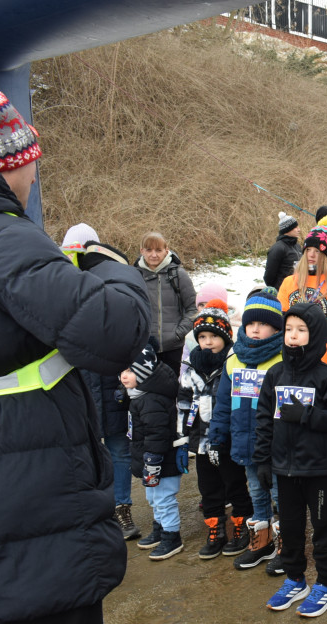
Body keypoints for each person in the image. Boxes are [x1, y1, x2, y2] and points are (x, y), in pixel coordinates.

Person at [0, 70, 150, 624]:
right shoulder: (3, 240)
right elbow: (115, 329)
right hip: (37, 516)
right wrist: (109, 270)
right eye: (31, 161)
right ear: (7, 164)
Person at [259, 303, 327, 616]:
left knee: (323, 526)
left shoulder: (326, 377)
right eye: (289, 329)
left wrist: (307, 415)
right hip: (284, 469)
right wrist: (262, 460)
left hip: (317, 468)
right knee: (290, 526)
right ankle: (295, 578)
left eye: (301, 330)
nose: (293, 336)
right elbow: (262, 419)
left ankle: (326, 584)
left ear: (313, 336)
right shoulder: (275, 374)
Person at [65, 223, 143, 542]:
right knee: (85, 456)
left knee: (118, 450)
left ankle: (121, 508)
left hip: (111, 387)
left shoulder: (110, 283)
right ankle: (92, 513)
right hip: (81, 389)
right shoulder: (63, 288)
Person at [208, 289, 287, 572]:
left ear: (277, 328)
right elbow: (223, 404)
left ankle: (285, 546)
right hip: (245, 443)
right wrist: (216, 438)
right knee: (256, 491)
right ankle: (261, 541)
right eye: (251, 322)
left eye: (263, 324)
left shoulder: (281, 361)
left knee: (279, 494)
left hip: (275, 445)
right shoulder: (233, 360)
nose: (255, 329)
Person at [180, 300, 255, 560]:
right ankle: (215, 530)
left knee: (234, 483)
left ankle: (242, 525)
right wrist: (182, 436)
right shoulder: (192, 367)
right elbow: (183, 402)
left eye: (214, 336)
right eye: (203, 337)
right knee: (208, 487)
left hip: (227, 440)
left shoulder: (233, 364)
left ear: (226, 337)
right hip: (202, 443)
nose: (208, 341)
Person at [122, 342, 185, 560]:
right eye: (122, 370)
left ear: (143, 372)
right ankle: (159, 529)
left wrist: (152, 460)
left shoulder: (151, 399)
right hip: (151, 460)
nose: (123, 375)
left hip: (160, 461)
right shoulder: (139, 396)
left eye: (130, 370)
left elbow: (157, 433)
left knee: (163, 499)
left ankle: (172, 535)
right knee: (153, 498)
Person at [278, 218, 327, 367]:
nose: (311, 255)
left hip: (325, 360)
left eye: (317, 251)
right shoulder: (289, 282)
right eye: (308, 250)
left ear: (326, 255)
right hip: (293, 358)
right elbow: (281, 323)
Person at [135, 231, 197, 377]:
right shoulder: (135, 275)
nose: (154, 255)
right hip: (145, 348)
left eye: (158, 250)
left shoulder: (178, 275)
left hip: (175, 349)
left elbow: (193, 308)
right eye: (149, 250)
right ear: (141, 251)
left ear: (166, 250)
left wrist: (178, 333)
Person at [263, 211, 301, 289]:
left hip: (297, 290)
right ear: (287, 229)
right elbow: (269, 277)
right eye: (296, 227)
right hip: (282, 291)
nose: (299, 229)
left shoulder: (297, 246)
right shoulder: (278, 248)